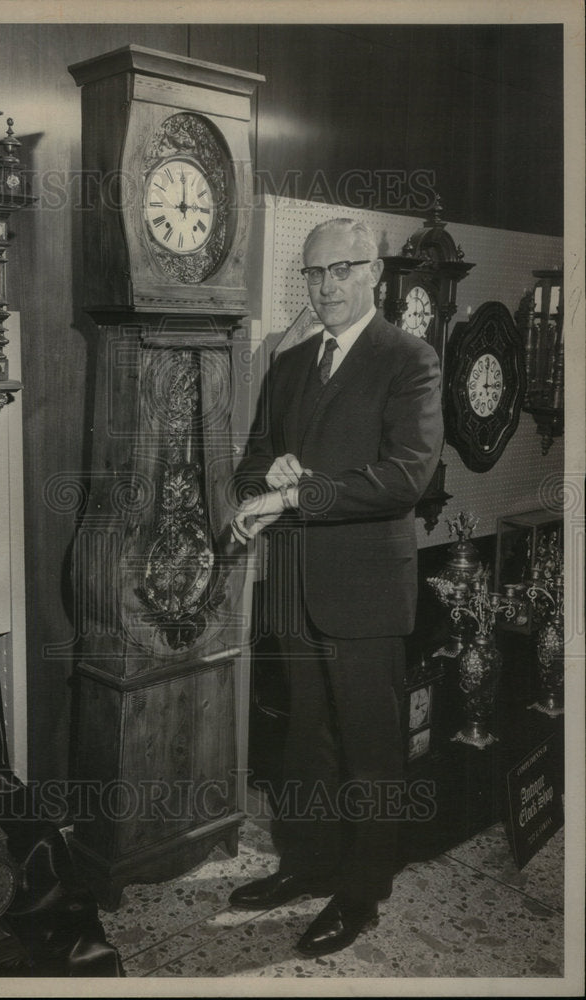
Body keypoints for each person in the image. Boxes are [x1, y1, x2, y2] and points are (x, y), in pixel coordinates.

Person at [228, 218, 443, 956]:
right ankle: (307, 866)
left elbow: (404, 476)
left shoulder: (407, 359)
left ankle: (360, 893)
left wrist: (297, 496)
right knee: (304, 743)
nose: (325, 287)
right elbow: (251, 462)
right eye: (314, 274)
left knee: (368, 750)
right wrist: (269, 477)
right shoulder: (289, 365)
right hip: (295, 588)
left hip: (365, 591)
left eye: (340, 270)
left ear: (372, 275)